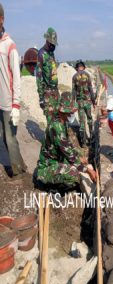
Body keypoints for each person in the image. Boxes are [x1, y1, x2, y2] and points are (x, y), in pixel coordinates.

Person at [37, 91, 96, 190]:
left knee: (79, 161)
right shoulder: (57, 128)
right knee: (74, 175)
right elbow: (71, 157)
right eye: (71, 112)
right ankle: (50, 186)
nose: (72, 114)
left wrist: (80, 158)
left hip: (56, 161)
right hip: (47, 168)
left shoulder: (62, 122)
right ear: (63, 111)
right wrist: (88, 171)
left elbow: (69, 147)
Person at [0, 3, 27, 176]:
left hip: (9, 102)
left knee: (10, 138)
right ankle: (20, 165)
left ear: (1, 20)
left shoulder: (10, 45)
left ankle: (18, 172)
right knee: (4, 137)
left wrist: (16, 105)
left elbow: (16, 77)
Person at [36, 27, 59, 124]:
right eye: (52, 44)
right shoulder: (41, 54)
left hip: (55, 91)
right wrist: (41, 97)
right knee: (51, 122)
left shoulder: (51, 53)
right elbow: (38, 77)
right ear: (47, 41)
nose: (54, 46)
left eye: (54, 44)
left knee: (57, 119)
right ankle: (49, 139)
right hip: (47, 93)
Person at [72, 60, 96, 147]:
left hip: (79, 102)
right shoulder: (87, 75)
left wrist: (73, 103)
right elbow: (90, 89)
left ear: (76, 68)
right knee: (90, 119)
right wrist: (93, 101)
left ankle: (83, 143)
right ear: (83, 67)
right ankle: (92, 139)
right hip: (88, 102)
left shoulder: (74, 77)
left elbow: (73, 91)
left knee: (82, 122)